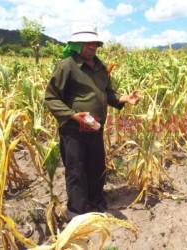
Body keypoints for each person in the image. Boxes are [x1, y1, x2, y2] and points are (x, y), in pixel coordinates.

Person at [45, 24, 140, 220]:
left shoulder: (100, 67)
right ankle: (77, 212)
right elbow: (51, 98)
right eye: (87, 44)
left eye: (95, 44)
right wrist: (72, 115)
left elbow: (108, 94)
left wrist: (124, 99)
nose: (92, 47)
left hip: (95, 128)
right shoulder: (67, 66)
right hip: (73, 130)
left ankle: (96, 201)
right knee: (76, 169)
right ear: (76, 45)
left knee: (97, 167)